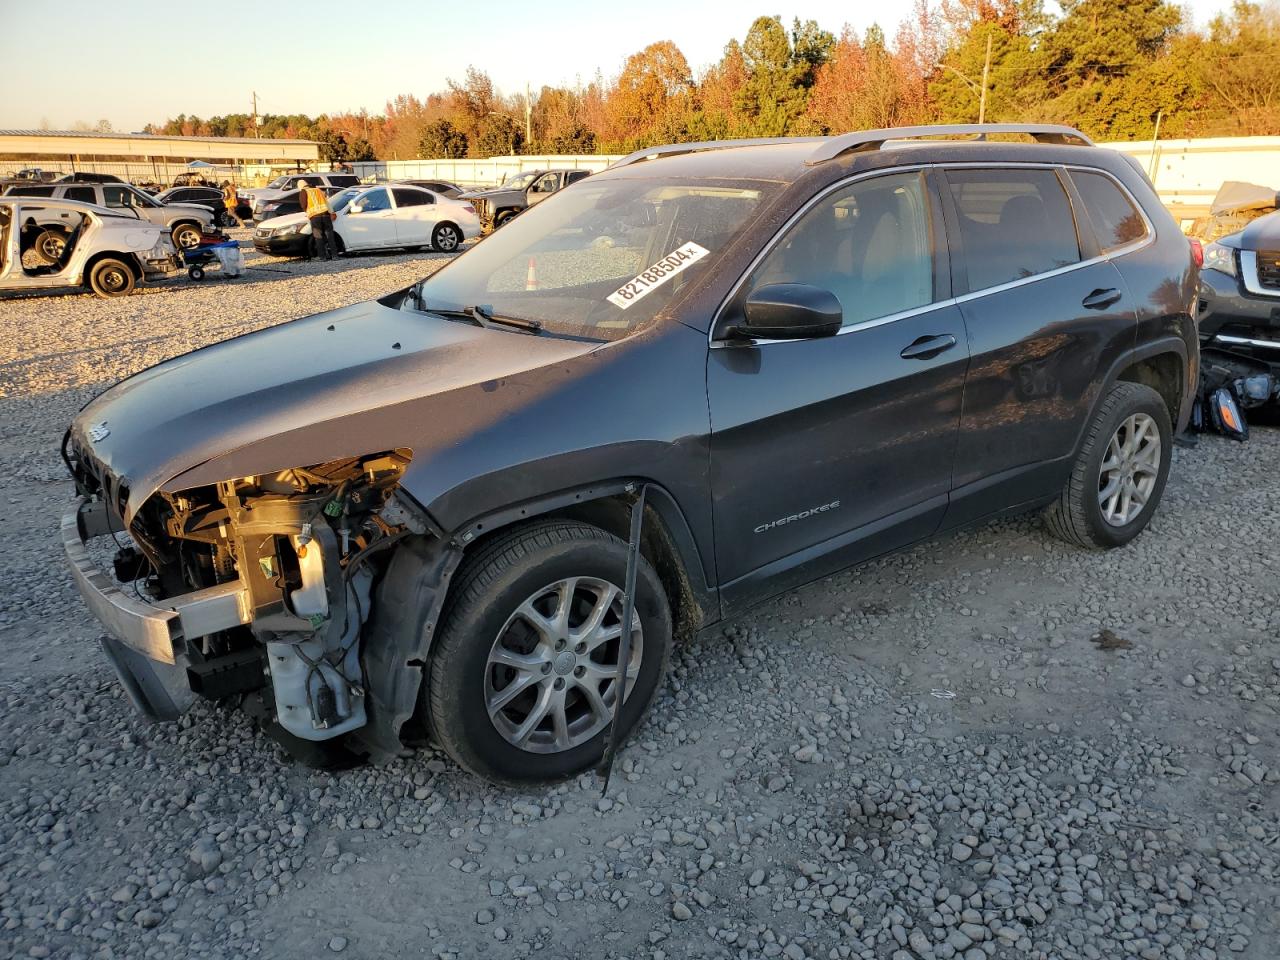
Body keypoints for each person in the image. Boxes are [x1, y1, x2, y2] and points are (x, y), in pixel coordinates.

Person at [298, 179, 338, 261]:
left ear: (300, 186)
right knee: (330, 236)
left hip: (315, 217)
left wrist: (308, 212)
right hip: (326, 215)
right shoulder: (318, 190)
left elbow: (303, 205)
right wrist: (332, 212)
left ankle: (322, 257)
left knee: (318, 237)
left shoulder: (304, 191)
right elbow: (326, 202)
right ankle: (335, 256)